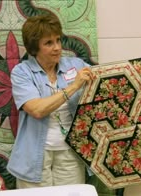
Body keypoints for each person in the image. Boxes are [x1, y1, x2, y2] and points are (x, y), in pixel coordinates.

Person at [7, 13, 94, 188]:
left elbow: (109, 80)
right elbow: (37, 109)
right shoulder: (21, 72)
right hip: (33, 156)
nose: (57, 48)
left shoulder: (76, 65)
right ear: (34, 48)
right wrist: (73, 87)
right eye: (48, 43)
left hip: (70, 153)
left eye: (58, 40)